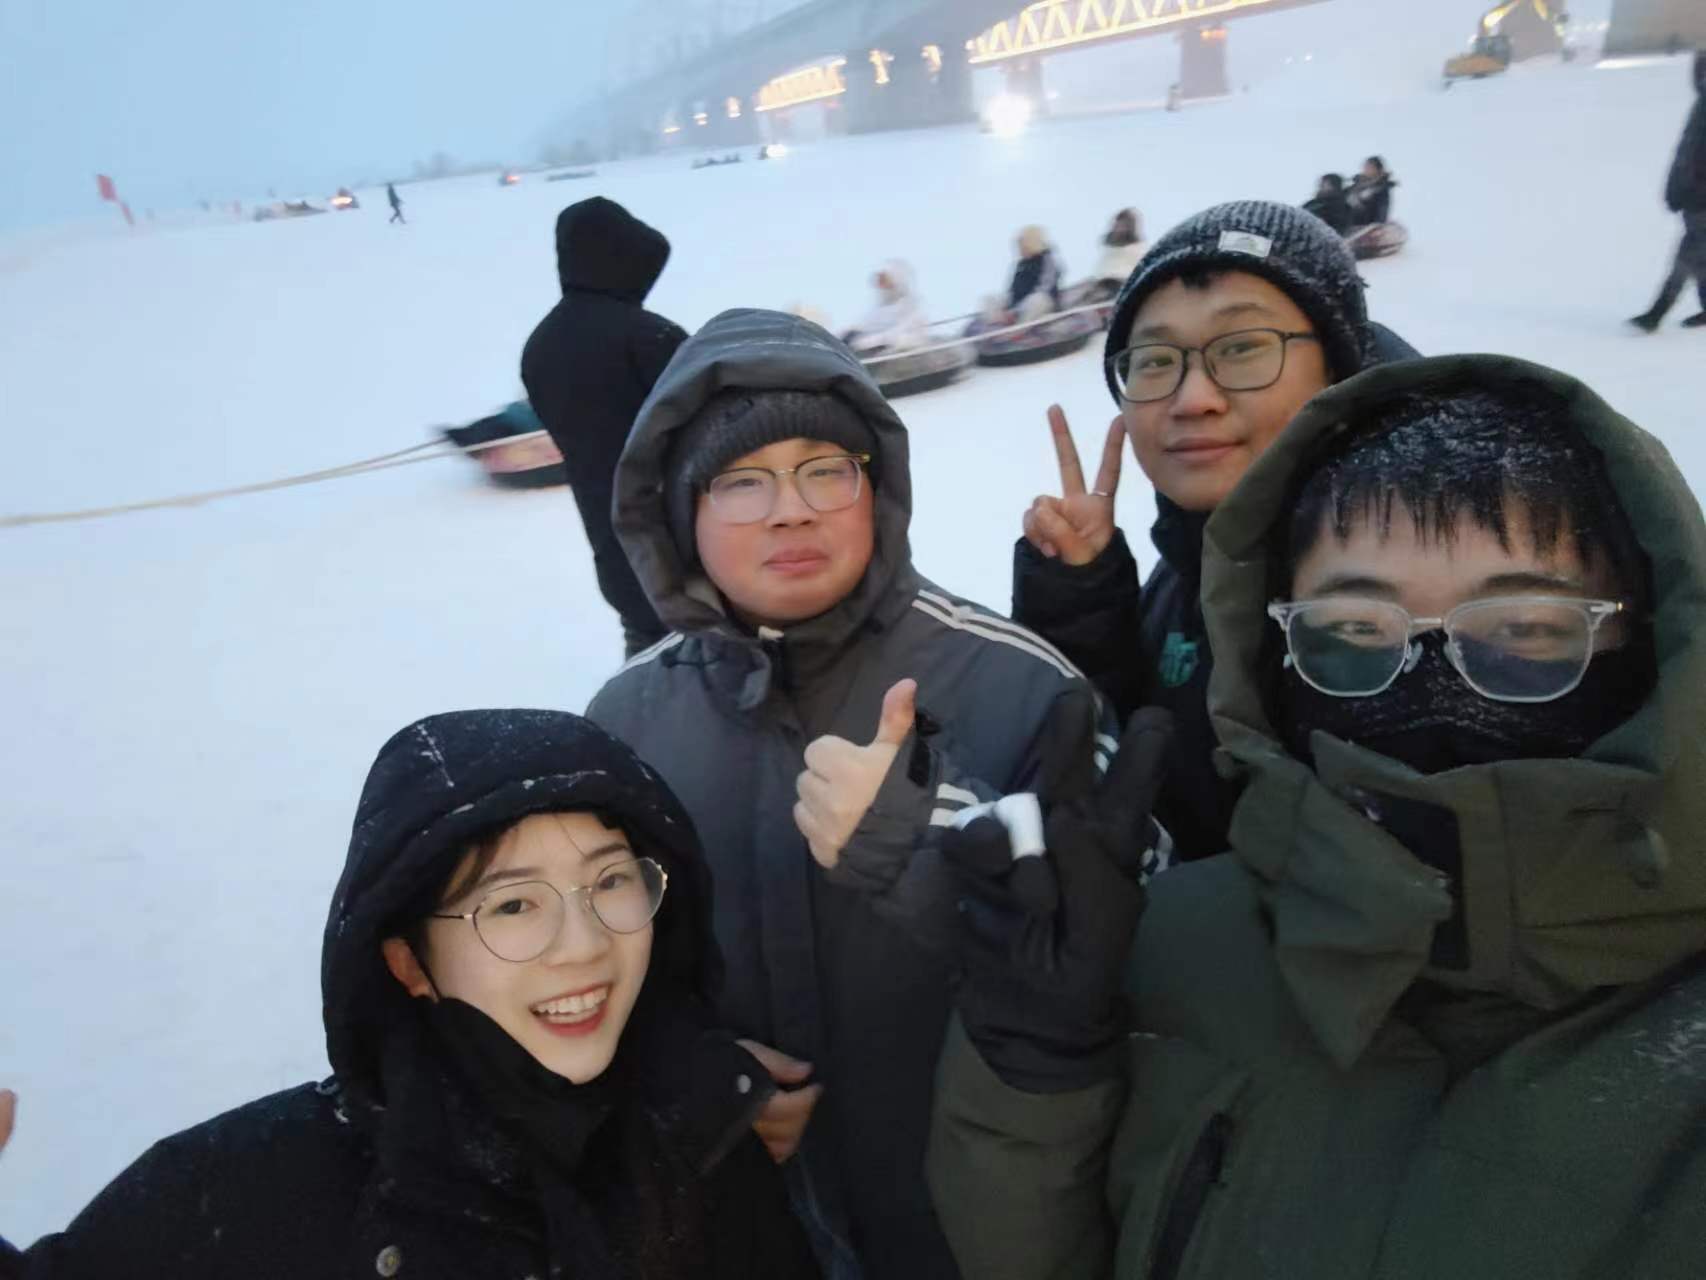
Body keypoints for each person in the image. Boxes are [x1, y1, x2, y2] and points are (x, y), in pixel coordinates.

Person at [927, 354, 1706, 1279]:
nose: (1437, 688)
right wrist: (1033, 1068)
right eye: (1354, 631)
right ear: (1276, 649)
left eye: (1526, 629)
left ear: (1648, 641)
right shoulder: (1171, 953)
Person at [588, 308, 1117, 1279]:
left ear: (877, 487)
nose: (789, 510)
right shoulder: (624, 721)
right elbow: (589, 969)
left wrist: (935, 832)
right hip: (746, 1230)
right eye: (741, 481)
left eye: (824, 469)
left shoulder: (1020, 684)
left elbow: (1131, 939)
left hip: (970, 1221)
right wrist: (686, 1073)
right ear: (677, 514)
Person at [1, 710, 817, 1278]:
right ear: (407, 963)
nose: (584, 945)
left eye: (609, 882)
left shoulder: (703, 1142)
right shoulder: (251, 1189)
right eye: (513, 905)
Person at [1012, 201, 1417, 862]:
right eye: (1153, 360)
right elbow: (1139, 766)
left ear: (1343, 367)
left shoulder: (1426, 587)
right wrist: (1081, 600)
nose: (1192, 398)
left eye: (1243, 348)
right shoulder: (1190, 561)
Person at [522, 197, 688, 656]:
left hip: (613, 543)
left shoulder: (540, 345)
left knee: (647, 652)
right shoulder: (648, 336)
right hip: (683, 541)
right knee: (707, 669)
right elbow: (719, 426)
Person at [1631, 51, 1706, 332]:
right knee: (1699, 254)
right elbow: (1687, 153)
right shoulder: (1702, 103)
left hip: (1700, 199)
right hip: (1691, 195)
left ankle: (1657, 313)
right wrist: (1675, 188)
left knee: (1688, 255)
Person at [842, 260, 929, 355]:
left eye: (884, 279)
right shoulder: (879, 307)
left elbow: (900, 336)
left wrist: (870, 342)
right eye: (879, 280)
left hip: (891, 353)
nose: (880, 284)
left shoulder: (909, 306)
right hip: (866, 348)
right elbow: (863, 327)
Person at [1003, 225, 1065, 322]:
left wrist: (1018, 310)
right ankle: (1000, 322)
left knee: (1038, 299)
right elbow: (1012, 289)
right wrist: (1008, 307)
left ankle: (1021, 327)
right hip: (1018, 306)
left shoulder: (1047, 260)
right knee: (990, 299)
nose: (1020, 249)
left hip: (1041, 305)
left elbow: (1046, 287)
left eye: (1022, 245)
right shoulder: (1021, 264)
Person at [1090, 208, 1148, 297]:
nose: (1119, 228)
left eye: (1124, 225)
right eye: (1118, 224)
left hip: (1121, 285)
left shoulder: (1137, 249)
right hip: (1101, 283)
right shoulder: (1109, 248)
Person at [1347, 155, 1396, 227]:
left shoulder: (1381, 188)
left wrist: (1377, 225)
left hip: (1366, 226)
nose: (1366, 169)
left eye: (1370, 167)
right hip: (1347, 224)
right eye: (1365, 167)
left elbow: (1382, 209)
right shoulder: (1355, 186)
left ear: (1377, 170)